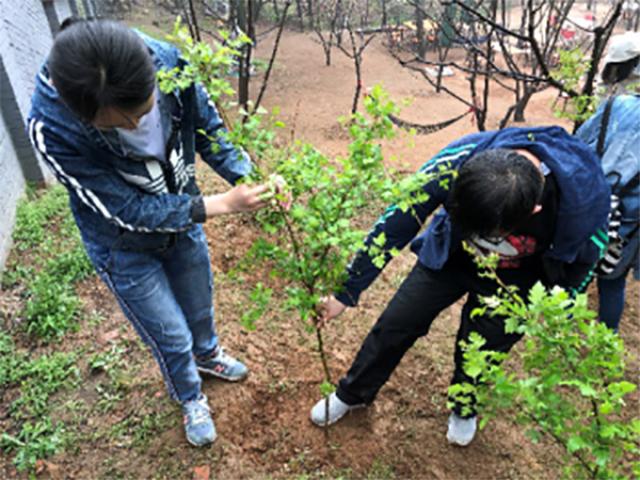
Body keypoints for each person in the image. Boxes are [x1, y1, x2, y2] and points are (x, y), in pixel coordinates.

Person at [28, 19, 274, 447]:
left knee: (199, 309)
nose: (137, 127)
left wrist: (247, 177)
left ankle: (209, 356)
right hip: (123, 246)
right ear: (83, 114)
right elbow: (124, 209)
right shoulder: (51, 127)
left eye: (144, 112)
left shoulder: (169, 62)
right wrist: (217, 205)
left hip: (183, 223)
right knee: (170, 335)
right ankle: (189, 395)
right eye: (118, 126)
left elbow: (208, 129)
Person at [309, 126, 610, 446]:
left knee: (485, 346)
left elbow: (586, 260)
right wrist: (346, 292)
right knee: (398, 322)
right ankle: (353, 393)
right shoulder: (458, 160)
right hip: (450, 256)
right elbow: (399, 219)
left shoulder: (583, 202)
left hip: (518, 278)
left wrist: (555, 310)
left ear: (533, 210)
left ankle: (464, 407)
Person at [576, 32, 640, 332]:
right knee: (613, 281)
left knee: (577, 272)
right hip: (633, 223)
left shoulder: (617, 107)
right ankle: (607, 341)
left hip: (599, 210)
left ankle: (558, 331)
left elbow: (579, 146)